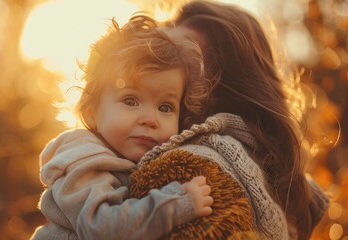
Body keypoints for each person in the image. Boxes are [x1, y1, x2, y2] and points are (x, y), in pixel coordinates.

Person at [131, 1, 329, 239]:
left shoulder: (189, 172)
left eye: (182, 60)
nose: (156, 66)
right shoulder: (269, 173)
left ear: (219, 91)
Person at [31, 15, 214, 240]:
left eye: (165, 107)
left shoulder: (126, 156)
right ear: (91, 111)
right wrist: (177, 202)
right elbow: (100, 229)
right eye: (130, 101)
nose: (150, 119)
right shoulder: (85, 159)